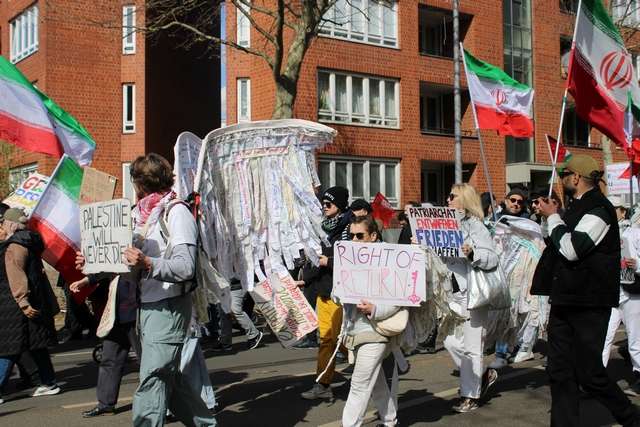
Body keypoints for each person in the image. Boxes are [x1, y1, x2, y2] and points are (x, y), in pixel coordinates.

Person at [532, 154, 640, 427]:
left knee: (589, 373)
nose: (561, 180)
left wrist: (553, 217)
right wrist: (551, 219)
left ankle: (631, 417)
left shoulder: (599, 209)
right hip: (566, 300)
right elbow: (558, 244)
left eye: (564, 175)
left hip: (588, 303)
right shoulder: (576, 207)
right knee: (559, 370)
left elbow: (572, 249)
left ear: (576, 177)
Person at [123, 153, 214, 426]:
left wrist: (148, 263)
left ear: (141, 183)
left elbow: (185, 267)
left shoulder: (176, 212)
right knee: (169, 378)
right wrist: (94, 265)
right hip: (147, 306)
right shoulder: (140, 215)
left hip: (169, 306)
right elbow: (126, 263)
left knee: (154, 377)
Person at [442, 184, 499, 413]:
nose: (448, 200)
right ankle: (482, 375)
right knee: (450, 341)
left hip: (473, 293)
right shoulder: (444, 225)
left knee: (473, 347)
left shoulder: (476, 226)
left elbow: (492, 258)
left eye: (452, 196)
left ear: (464, 200)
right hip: (453, 293)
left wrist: (473, 253)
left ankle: (470, 395)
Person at [340, 216, 399, 427]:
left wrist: (375, 309)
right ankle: (390, 420)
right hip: (355, 331)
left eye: (360, 235)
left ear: (373, 236)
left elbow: (399, 299)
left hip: (376, 332)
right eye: (352, 236)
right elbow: (338, 296)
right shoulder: (348, 258)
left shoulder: (389, 259)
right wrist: (340, 291)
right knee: (377, 382)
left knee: (359, 384)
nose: (354, 240)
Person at [0, 208, 61, 401]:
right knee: (37, 344)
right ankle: (49, 382)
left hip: (16, 304)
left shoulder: (15, 246)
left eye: (3, 222)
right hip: (35, 300)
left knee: (8, 348)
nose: (2, 226)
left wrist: (22, 301)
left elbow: (15, 273)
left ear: (10, 224)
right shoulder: (30, 240)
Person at [300, 186, 350, 400]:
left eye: (329, 203)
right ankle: (323, 384)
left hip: (341, 294)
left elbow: (355, 260)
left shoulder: (349, 228)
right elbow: (316, 260)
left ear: (340, 205)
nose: (325, 207)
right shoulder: (322, 227)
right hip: (323, 292)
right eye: (323, 204)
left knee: (344, 340)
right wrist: (304, 280)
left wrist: (328, 262)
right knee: (327, 340)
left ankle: (373, 367)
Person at [69, 270, 140, 417]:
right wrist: (86, 281)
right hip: (115, 313)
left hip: (139, 311)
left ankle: (165, 405)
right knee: (110, 359)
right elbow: (105, 266)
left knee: (149, 362)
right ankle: (106, 404)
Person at [602, 196, 640, 396]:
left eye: (614, 208)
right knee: (603, 337)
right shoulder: (602, 232)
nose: (609, 211)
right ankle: (596, 379)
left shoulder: (635, 233)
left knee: (635, 340)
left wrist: (638, 265)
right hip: (610, 293)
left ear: (623, 211)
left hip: (632, 293)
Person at [213, 276, 263, 352]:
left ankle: (254, 334)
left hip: (236, 285)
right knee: (224, 313)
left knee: (235, 310)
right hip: (221, 286)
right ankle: (225, 342)